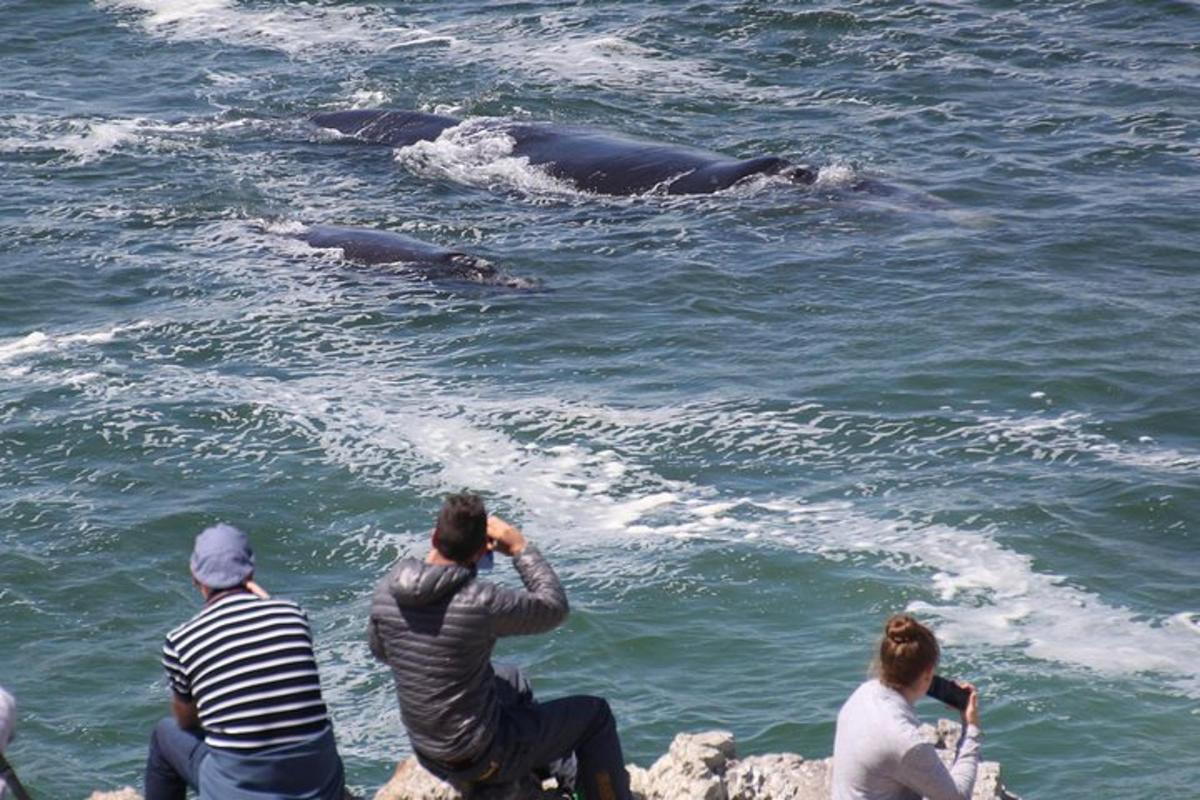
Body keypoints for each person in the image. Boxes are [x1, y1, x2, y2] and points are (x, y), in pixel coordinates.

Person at [368, 492, 632, 800]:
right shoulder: (480, 600)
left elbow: (381, 650)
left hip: (428, 749)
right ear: (482, 551)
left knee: (511, 680)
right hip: (478, 758)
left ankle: (529, 780)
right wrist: (520, 548)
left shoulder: (389, 587)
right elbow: (554, 608)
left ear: (434, 536)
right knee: (595, 716)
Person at [145, 523, 346, 800]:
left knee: (164, 734)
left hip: (241, 792)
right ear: (250, 572)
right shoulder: (292, 616)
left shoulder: (181, 641)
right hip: (320, 786)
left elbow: (186, 720)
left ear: (195, 577)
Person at [831, 614, 982, 800]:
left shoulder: (862, 694)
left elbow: (907, 677)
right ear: (927, 673)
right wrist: (971, 728)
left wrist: (927, 680)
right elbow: (957, 797)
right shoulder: (906, 742)